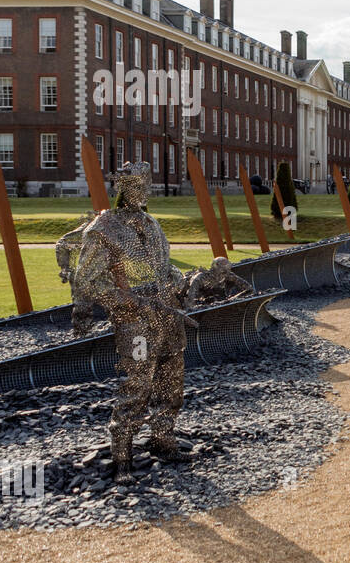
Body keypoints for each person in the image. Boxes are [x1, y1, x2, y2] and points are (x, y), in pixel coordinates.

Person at [64, 162, 196, 483]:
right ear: (122, 189)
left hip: (167, 317)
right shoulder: (104, 228)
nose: (143, 191)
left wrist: (179, 280)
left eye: (146, 185)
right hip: (135, 323)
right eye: (136, 185)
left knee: (171, 382)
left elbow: (164, 267)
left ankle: (163, 439)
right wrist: (126, 300)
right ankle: (122, 454)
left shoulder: (152, 225)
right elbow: (87, 281)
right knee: (137, 385)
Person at [183, 256, 254, 309]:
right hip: (202, 304)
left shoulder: (228, 275)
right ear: (215, 269)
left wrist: (236, 297)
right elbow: (190, 301)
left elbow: (248, 288)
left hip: (219, 303)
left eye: (227, 271)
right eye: (223, 271)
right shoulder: (199, 279)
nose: (225, 274)